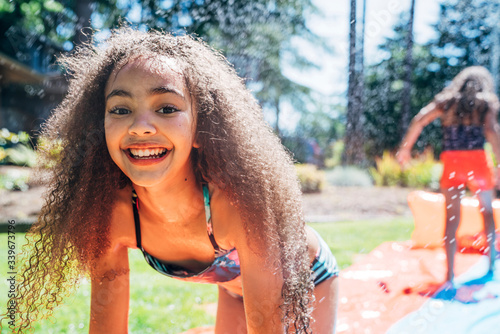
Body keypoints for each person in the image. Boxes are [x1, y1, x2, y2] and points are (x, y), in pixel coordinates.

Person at [2, 27, 339, 333]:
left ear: (200, 129)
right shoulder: (115, 216)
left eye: (166, 108)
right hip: (234, 287)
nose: (140, 126)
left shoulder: (236, 208)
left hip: (305, 279)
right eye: (120, 109)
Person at [397, 66, 499, 286]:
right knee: (488, 214)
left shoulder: (447, 102)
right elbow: (491, 131)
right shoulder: (485, 104)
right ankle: (491, 264)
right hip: (477, 162)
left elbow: (420, 120)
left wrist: (405, 149)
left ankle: (450, 274)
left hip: (453, 162)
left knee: (452, 219)